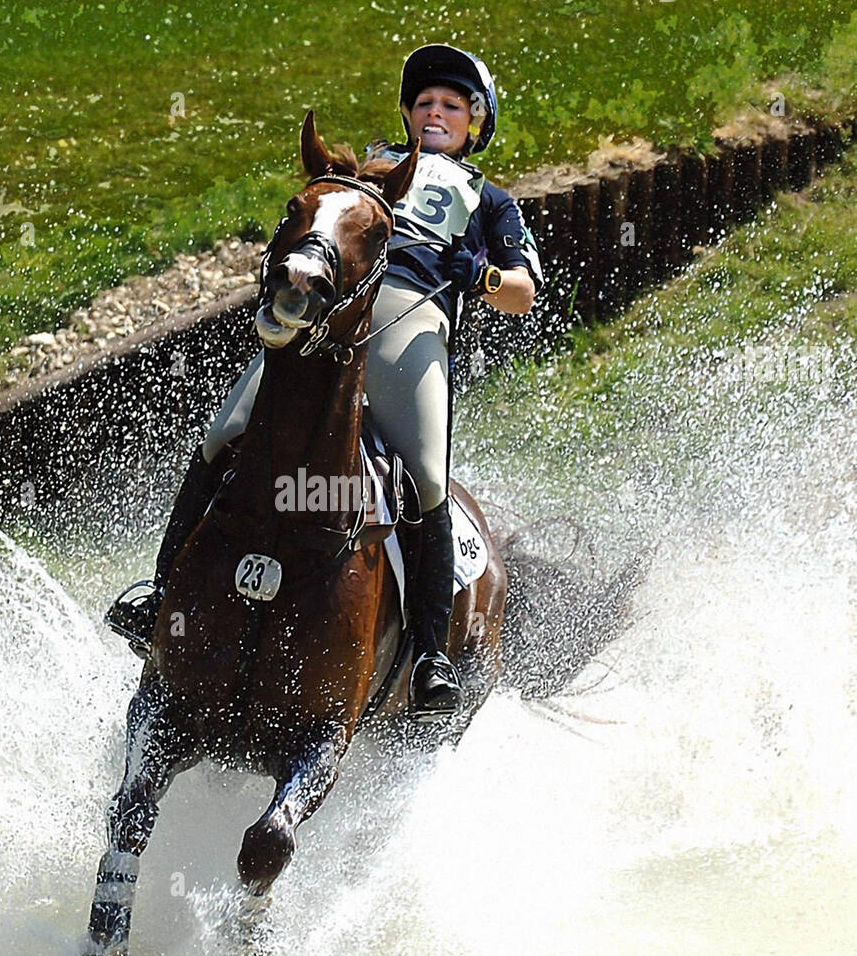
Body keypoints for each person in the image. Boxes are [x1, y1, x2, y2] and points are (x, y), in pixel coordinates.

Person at [111, 44, 543, 717]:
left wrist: (478, 274)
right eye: (424, 102)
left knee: (427, 479)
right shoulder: (368, 170)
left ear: (475, 122)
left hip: (409, 328)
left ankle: (429, 653)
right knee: (223, 435)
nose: (434, 112)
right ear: (406, 113)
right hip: (327, 319)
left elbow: (522, 292)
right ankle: (158, 598)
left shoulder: (489, 201)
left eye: (451, 106)